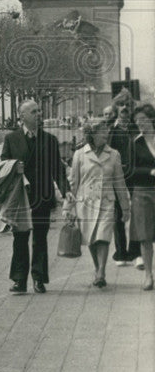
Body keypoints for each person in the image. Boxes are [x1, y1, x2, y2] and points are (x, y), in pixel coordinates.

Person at [1, 99, 69, 294]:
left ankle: (39, 278)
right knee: (19, 238)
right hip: (21, 197)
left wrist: (67, 192)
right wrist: (14, 167)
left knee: (40, 238)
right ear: (22, 116)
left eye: (39, 111)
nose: (39, 114)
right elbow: (2, 164)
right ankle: (19, 280)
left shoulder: (50, 140)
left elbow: (58, 170)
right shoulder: (11, 139)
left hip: (43, 196)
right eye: (34, 111)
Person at [66, 118, 131, 288]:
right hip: (85, 203)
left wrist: (125, 208)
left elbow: (120, 183)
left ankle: (101, 271)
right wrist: (68, 207)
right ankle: (97, 269)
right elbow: (73, 183)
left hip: (106, 202)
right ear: (92, 134)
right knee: (92, 239)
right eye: (103, 131)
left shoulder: (114, 154)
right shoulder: (79, 154)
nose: (107, 133)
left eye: (107, 130)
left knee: (103, 236)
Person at [125, 103, 155, 290]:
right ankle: (148, 276)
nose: (140, 124)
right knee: (145, 236)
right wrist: (151, 172)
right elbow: (130, 171)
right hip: (143, 192)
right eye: (137, 122)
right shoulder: (135, 143)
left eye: (143, 120)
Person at [108, 100, 140, 265]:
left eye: (127, 112)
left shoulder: (136, 130)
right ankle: (120, 252)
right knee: (118, 214)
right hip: (117, 176)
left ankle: (136, 252)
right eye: (122, 112)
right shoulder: (111, 131)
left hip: (135, 176)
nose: (125, 115)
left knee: (136, 212)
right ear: (117, 113)